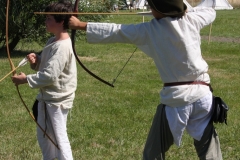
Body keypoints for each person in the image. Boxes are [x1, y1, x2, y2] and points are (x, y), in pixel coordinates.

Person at [69, 0, 222, 159]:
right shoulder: (192, 19)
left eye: (152, 6)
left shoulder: (150, 29)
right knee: (210, 152)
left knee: (152, 154)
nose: (150, 9)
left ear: (161, 9)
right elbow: (210, 11)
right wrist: (185, 9)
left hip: (177, 100)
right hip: (203, 97)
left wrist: (81, 25)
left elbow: (117, 31)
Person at [12, 1, 77, 160]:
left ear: (61, 22)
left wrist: (25, 79)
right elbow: (48, 65)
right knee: (45, 137)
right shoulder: (52, 42)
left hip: (56, 101)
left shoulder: (62, 46)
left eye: (49, 18)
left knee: (59, 139)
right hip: (48, 98)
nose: (45, 21)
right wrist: (37, 61)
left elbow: (50, 75)